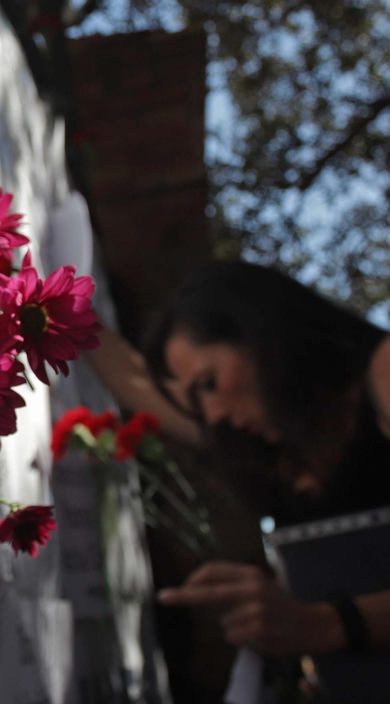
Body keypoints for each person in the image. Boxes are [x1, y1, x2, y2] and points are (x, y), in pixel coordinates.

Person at [85, 261, 390, 657]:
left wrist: (330, 625)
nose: (213, 416)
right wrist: (40, 297)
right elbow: (133, 380)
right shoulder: (264, 447)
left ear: (264, 334)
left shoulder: (382, 379)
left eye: (209, 384)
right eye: (196, 401)